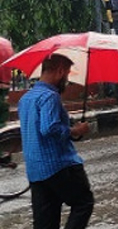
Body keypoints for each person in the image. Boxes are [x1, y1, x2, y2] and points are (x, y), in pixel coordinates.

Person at [18, 54, 94, 229]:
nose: (66, 80)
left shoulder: (26, 99)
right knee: (83, 203)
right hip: (59, 166)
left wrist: (69, 127)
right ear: (60, 71)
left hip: (36, 170)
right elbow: (49, 128)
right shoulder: (50, 97)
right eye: (67, 74)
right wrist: (76, 130)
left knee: (46, 223)